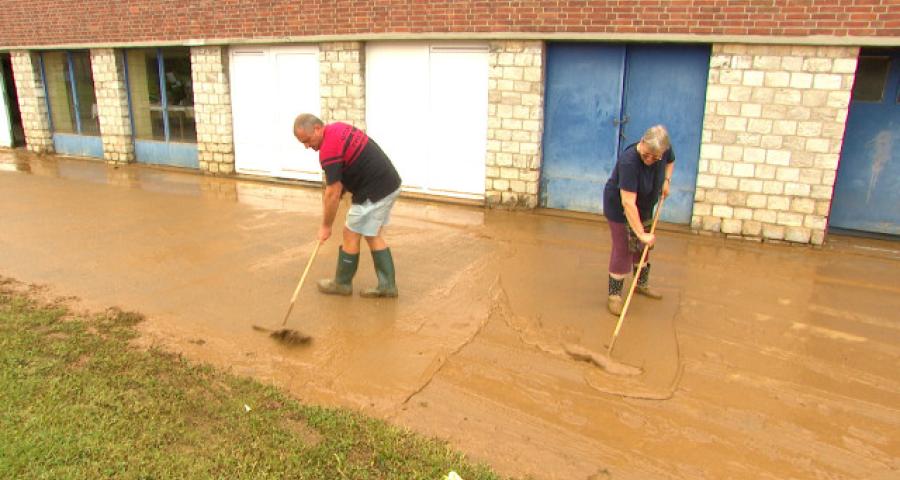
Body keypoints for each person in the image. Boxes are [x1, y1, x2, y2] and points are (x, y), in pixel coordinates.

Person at [293, 113, 402, 298]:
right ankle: (387, 286)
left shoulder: (328, 149)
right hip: (388, 183)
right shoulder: (336, 129)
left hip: (375, 190)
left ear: (318, 129)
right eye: (302, 142)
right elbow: (343, 175)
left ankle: (342, 283)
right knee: (371, 233)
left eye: (308, 140)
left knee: (350, 233)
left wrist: (326, 227)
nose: (306, 146)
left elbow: (332, 193)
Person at [602, 125, 674, 316]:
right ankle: (614, 296)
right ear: (642, 142)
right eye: (647, 155)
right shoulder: (629, 162)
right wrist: (640, 233)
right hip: (620, 207)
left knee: (643, 247)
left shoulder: (662, 151)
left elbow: (670, 161)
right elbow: (627, 202)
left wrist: (666, 181)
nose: (650, 160)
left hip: (644, 204)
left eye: (655, 157)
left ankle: (640, 284)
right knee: (624, 246)